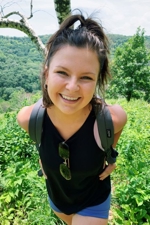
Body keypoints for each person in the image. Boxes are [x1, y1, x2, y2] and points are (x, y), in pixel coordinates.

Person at [17, 12, 127, 225]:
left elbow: (120, 124)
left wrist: (110, 156)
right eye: (62, 73)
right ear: (46, 74)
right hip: (58, 202)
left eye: (86, 77)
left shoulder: (109, 119)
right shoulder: (29, 118)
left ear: (98, 80)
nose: (72, 86)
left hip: (94, 201)